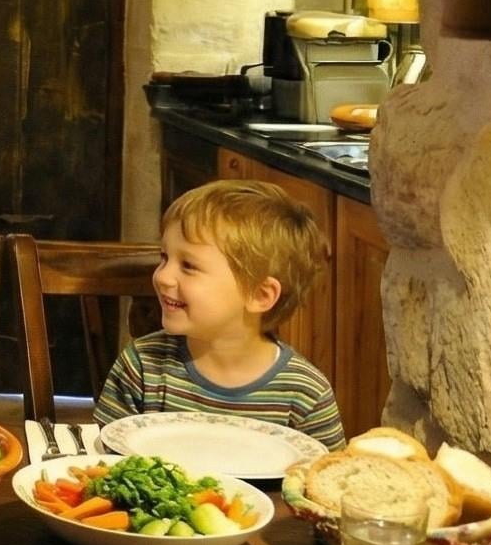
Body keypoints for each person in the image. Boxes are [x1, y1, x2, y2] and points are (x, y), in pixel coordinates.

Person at [93, 178, 344, 446]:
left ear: (260, 295)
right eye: (164, 257)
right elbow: (103, 464)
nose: (163, 276)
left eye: (188, 265)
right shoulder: (141, 367)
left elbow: (320, 482)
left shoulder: (305, 394)